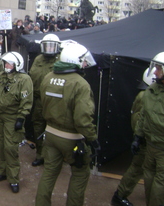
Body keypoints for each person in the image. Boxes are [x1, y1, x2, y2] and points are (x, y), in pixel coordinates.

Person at [35, 42, 100, 205]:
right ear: (75, 60)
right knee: (80, 174)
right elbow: (82, 119)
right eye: (83, 61)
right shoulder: (80, 84)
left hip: (50, 134)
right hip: (72, 138)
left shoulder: (48, 77)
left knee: (49, 173)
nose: (85, 64)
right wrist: (92, 138)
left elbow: (44, 103)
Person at [132, 51, 164, 206]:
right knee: (149, 182)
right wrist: (138, 136)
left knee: (162, 189)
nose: (155, 72)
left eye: (159, 69)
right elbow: (144, 115)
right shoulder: (152, 90)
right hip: (151, 146)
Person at [0, 52, 33, 193]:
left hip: (12, 117)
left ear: (17, 64)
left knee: (10, 147)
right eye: (5, 63)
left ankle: (13, 178)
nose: (7, 66)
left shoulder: (24, 79)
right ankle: (2, 171)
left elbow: (27, 101)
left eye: (10, 63)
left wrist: (21, 118)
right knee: (0, 144)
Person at [111, 68, 154, 206]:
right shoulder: (144, 96)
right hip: (147, 142)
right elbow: (137, 120)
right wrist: (140, 137)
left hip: (153, 141)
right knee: (137, 169)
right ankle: (120, 195)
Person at [28, 34, 60, 167]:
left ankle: (54, 157)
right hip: (39, 99)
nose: (49, 49)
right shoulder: (38, 59)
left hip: (54, 101)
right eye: (47, 46)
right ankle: (40, 154)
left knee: (54, 128)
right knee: (38, 126)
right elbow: (32, 75)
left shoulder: (60, 60)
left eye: (52, 46)